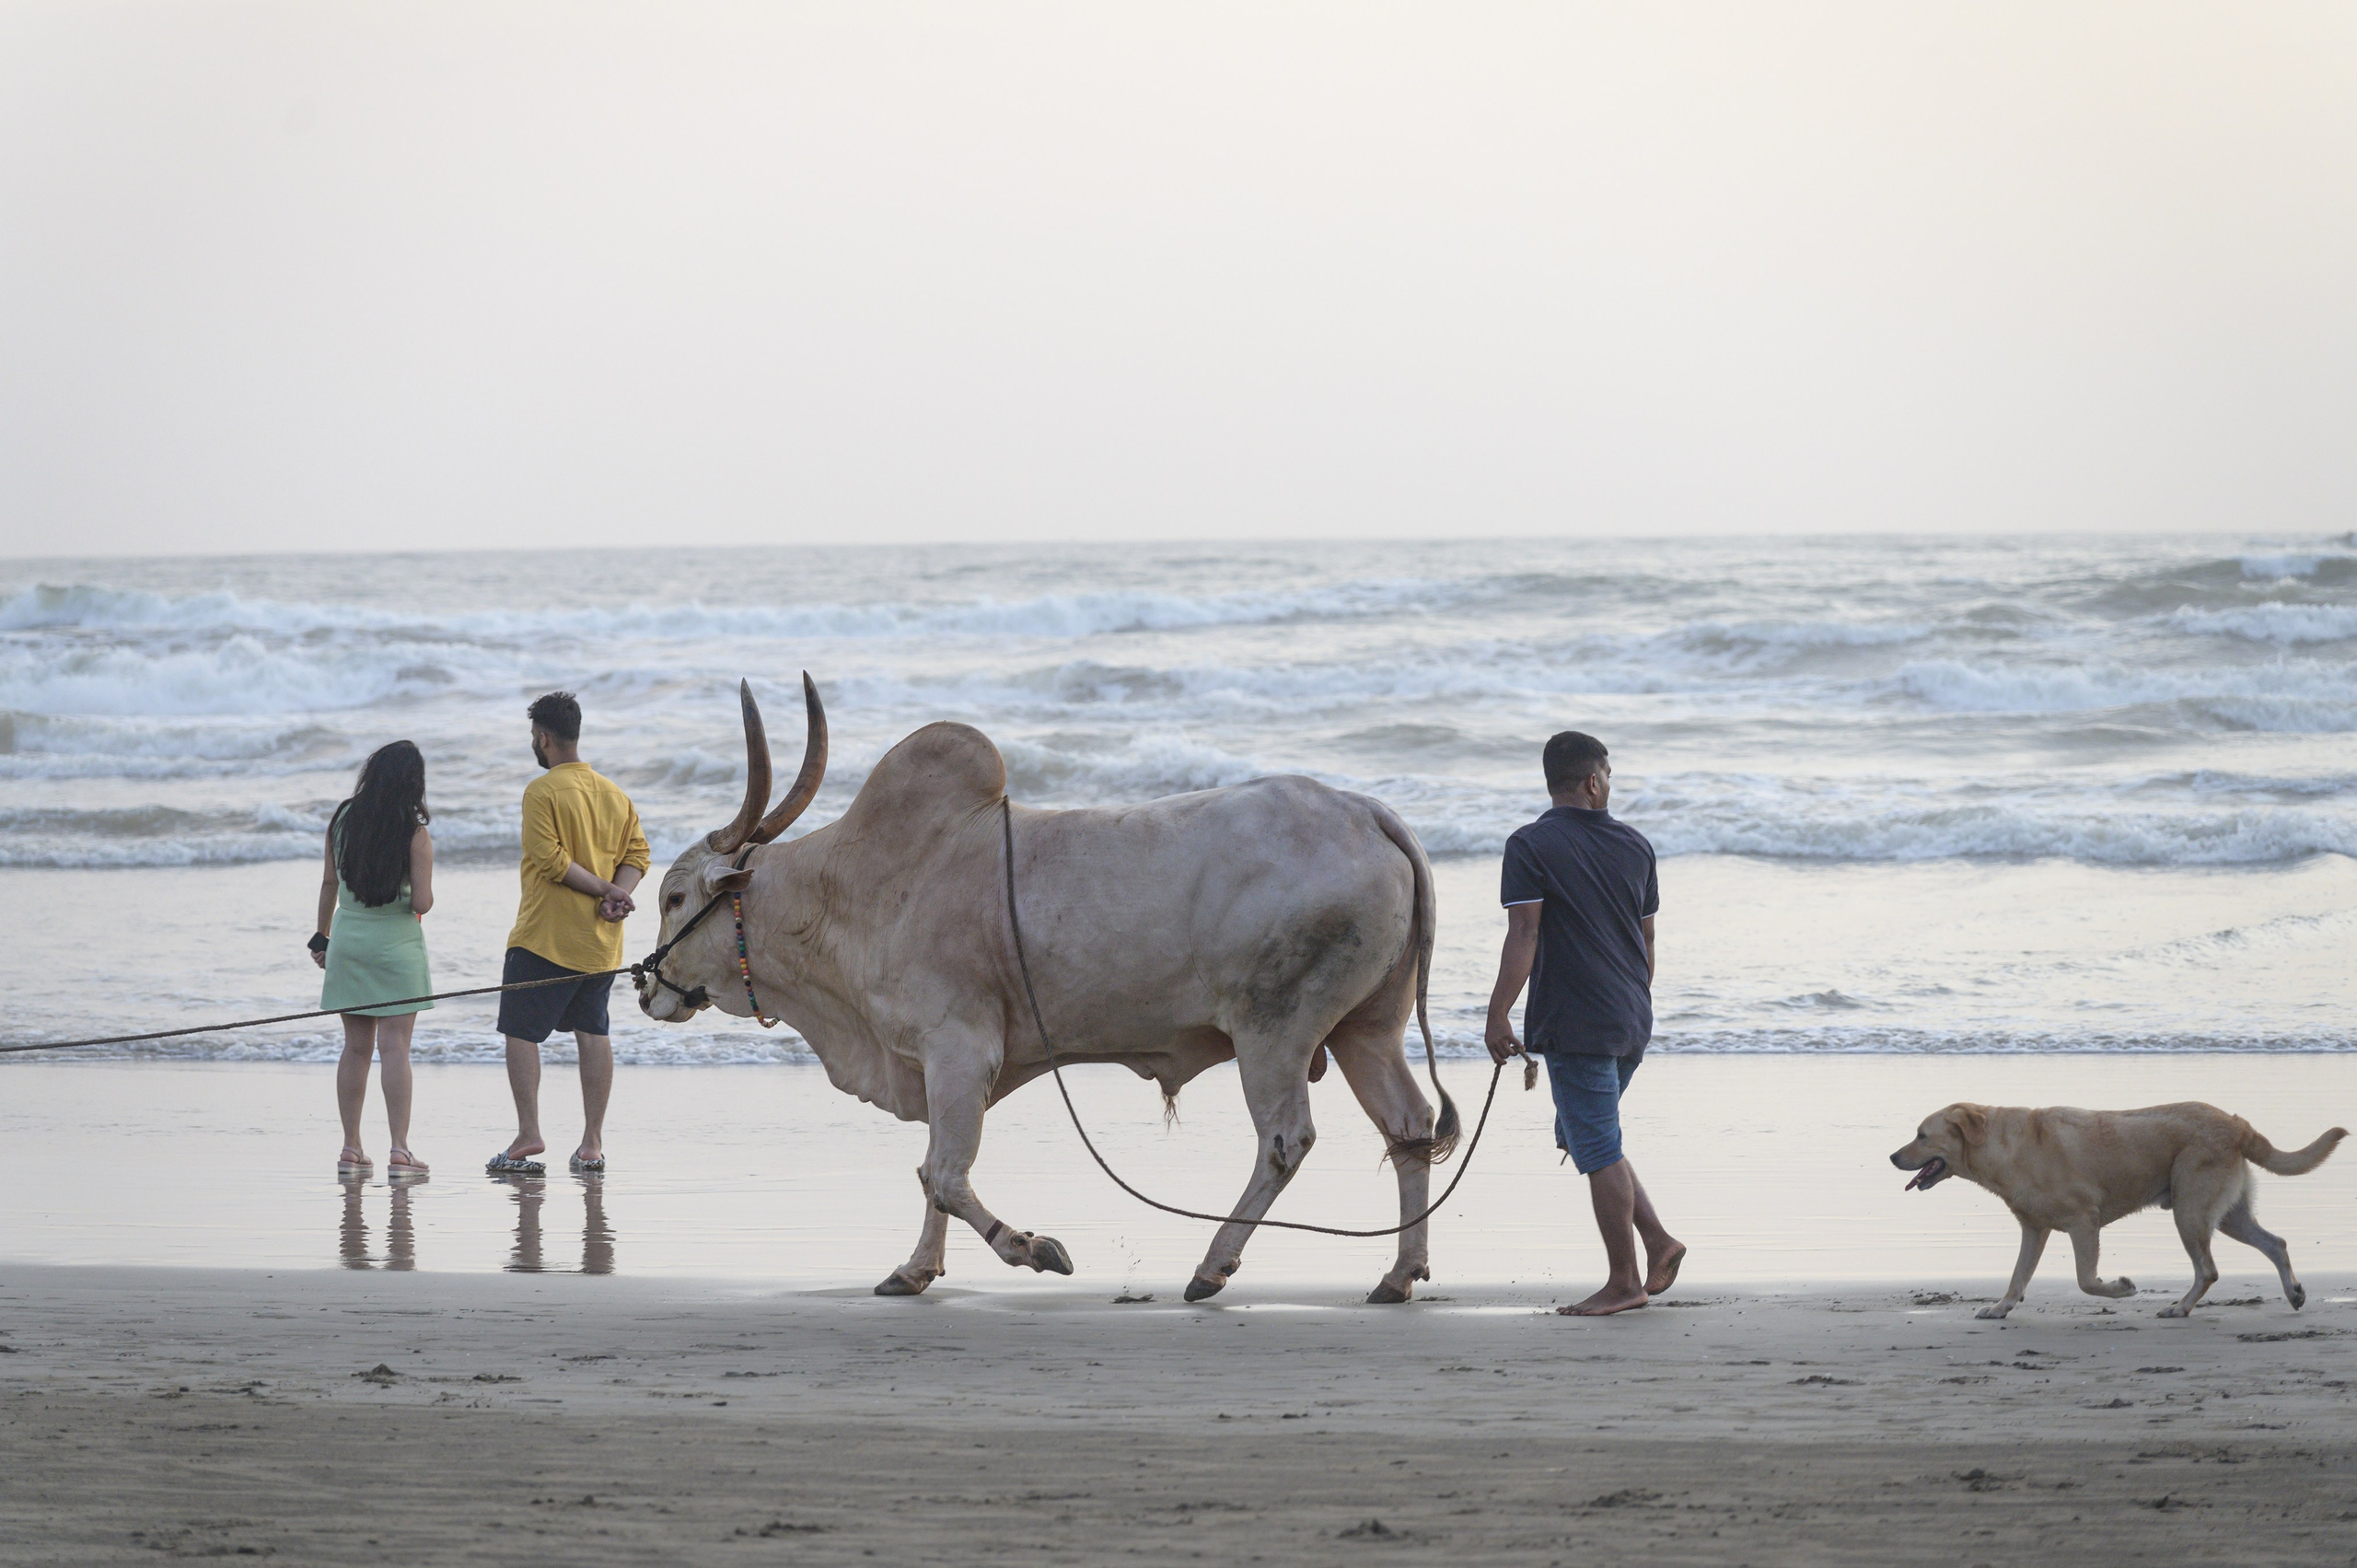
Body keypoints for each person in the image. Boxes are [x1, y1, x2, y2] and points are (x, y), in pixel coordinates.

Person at [1484, 730, 1683, 1316]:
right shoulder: (1637, 845)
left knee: (1595, 1146)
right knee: (1586, 1135)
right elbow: (1647, 941)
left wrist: (1497, 1012)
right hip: (1629, 1016)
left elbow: (1525, 933)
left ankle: (1624, 1282)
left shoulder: (1529, 845)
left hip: (1577, 1021)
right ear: (1593, 781)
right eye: (1609, 777)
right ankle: (1659, 1242)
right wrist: (1629, 1003)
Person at [488, 691, 650, 1178]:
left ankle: (528, 1133)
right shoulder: (613, 793)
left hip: (545, 937)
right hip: (600, 943)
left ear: (544, 738)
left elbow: (551, 861)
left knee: (519, 1031)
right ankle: (592, 1145)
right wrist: (616, 895)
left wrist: (605, 889)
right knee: (594, 1031)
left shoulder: (543, 792)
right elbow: (637, 856)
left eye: (533, 737)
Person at [313, 739, 435, 1179]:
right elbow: (422, 900)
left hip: (349, 939)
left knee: (356, 1048)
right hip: (396, 945)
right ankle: (399, 1149)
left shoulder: (343, 818)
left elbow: (330, 882)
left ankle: (351, 1147)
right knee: (395, 1047)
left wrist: (321, 936)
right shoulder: (414, 832)